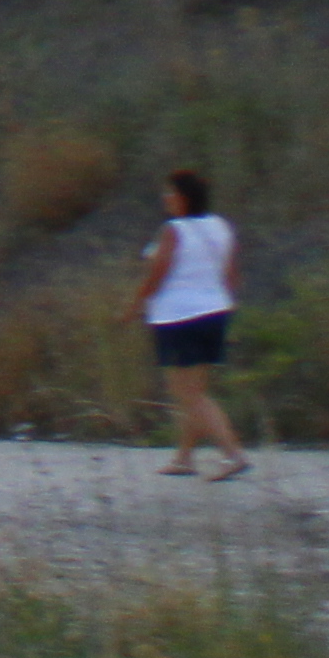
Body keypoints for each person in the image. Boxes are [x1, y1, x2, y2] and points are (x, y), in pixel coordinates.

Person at [137, 168, 249, 480]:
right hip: (215, 313)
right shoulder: (220, 226)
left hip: (178, 317)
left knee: (188, 395)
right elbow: (231, 275)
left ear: (182, 197)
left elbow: (157, 275)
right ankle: (184, 458)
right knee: (195, 391)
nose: (165, 198)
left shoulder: (173, 230)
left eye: (169, 192)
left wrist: (134, 305)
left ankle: (233, 454)